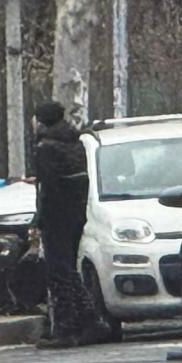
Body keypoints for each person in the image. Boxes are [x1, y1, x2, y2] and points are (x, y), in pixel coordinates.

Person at [31, 100, 110, 347]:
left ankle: (67, 328)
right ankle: (89, 321)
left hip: (57, 218)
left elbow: (48, 189)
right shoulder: (75, 143)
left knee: (59, 273)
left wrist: (39, 220)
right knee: (69, 270)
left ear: (42, 121)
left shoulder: (46, 147)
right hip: (75, 215)